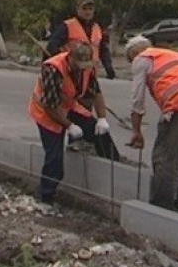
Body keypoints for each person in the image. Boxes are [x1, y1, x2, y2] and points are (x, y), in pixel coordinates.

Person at [125, 35, 178, 213]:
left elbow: (137, 99)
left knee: (165, 157)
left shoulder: (141, 59)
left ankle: (161, 209)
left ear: (134, 53)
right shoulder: (171, 54)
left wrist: (136, 131)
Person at [29, 42, 121, 205]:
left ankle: (115, 166)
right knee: (54, 159)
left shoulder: (87, 68)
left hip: (68, 106)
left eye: (85, 65)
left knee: (99, 133)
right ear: (70, 57)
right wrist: (69, 126)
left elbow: (96, 93)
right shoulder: (53, 69)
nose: (82, 69)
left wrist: (102, 119)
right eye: (78, 64)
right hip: (47, 112)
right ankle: (45, 198)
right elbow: (50, 107)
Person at [46, 0, 116, 81]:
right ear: (77, 9)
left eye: (90, 9)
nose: (87, 12)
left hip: (90, 75)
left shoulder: (97, 28)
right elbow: (52, 46)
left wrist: (108, 67)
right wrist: (63, 64)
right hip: (70, 74)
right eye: (84, 9)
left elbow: (103, 50)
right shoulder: (67, 26)